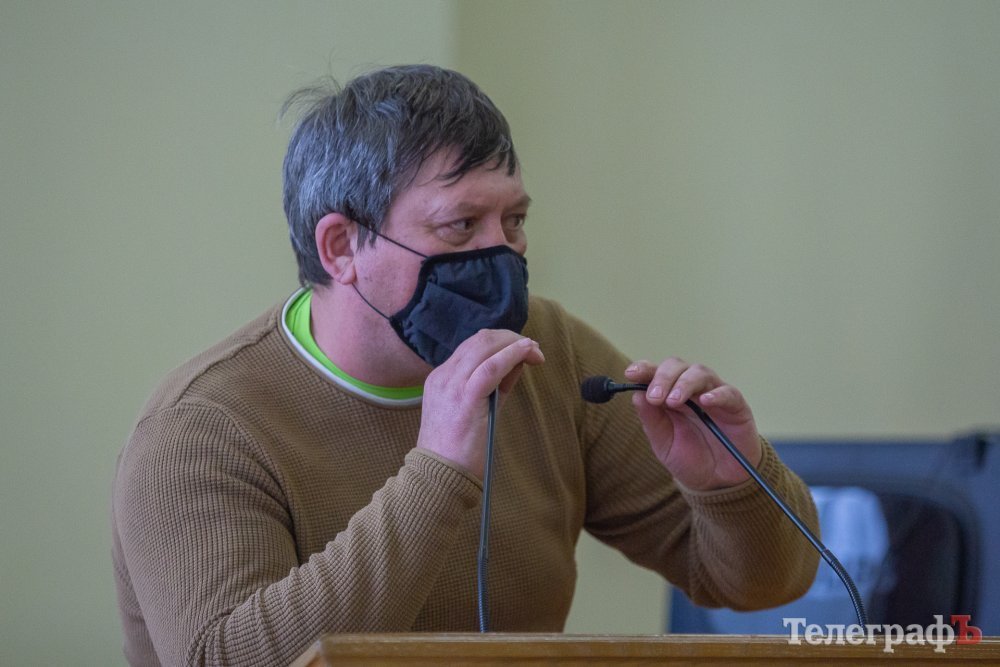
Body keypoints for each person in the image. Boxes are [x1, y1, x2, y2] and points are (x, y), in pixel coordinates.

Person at [112, 64, 819, 666]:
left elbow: (765, 584)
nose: (501, 255)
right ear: (341, 247)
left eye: (514, 221)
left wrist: (729, 483)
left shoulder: (548, 350)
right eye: (460, 225)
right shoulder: (204, 427)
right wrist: (438, 471)